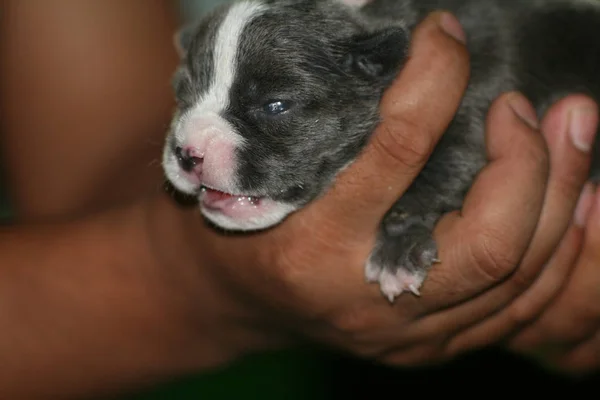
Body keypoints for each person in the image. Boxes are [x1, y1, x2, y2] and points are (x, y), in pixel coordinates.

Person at [0, 0, 598, 398]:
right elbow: (76, 182)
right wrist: (188, 276)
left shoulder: (470, 59)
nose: (188, 142)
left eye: (276, 106)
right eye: (188, 95)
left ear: (376, 67)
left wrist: (410, 216)